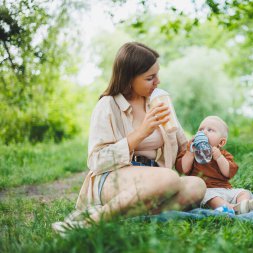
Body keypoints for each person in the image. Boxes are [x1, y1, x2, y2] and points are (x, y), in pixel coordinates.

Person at [53, 42, 206, 232]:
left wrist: (196, 147)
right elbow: (96, 161)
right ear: (129, 78)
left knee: (196, 186)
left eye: (157, 75)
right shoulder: (108, 105)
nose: (157, 82)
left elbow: (182, 152)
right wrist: (142, 132)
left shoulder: (159, 103)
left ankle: (126, 217)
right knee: (168, 178)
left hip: (154, 179)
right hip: (113, 178)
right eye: (150, 78)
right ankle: (90, 222)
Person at [175, 116, 253, 214]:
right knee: (211, 198)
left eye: (210, 130)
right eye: (201, 129)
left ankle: (243, 204)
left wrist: (219, 158)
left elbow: (228, 173)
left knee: (243, 192)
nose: (203, 132)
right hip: (206, 190)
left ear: (221, 142)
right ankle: (231, 208)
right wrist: (190, 153)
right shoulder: (192, 153)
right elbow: (184, 170)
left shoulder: (224, 155)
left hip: (225, 189)